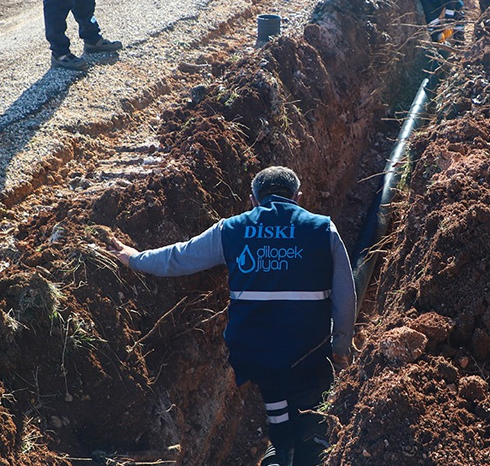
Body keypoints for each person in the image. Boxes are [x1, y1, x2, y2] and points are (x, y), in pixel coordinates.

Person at [109, 166, 356, 466]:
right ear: (299, 198)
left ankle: (280, 446)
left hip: (253, 351)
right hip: (309, 350)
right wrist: (340, 347)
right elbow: (346, 295)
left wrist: (134, 258)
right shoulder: (322, 229)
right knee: (310, 404)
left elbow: (179, 258)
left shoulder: (231, 230)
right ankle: (308, 448)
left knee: (273, 386)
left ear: (252, 200)